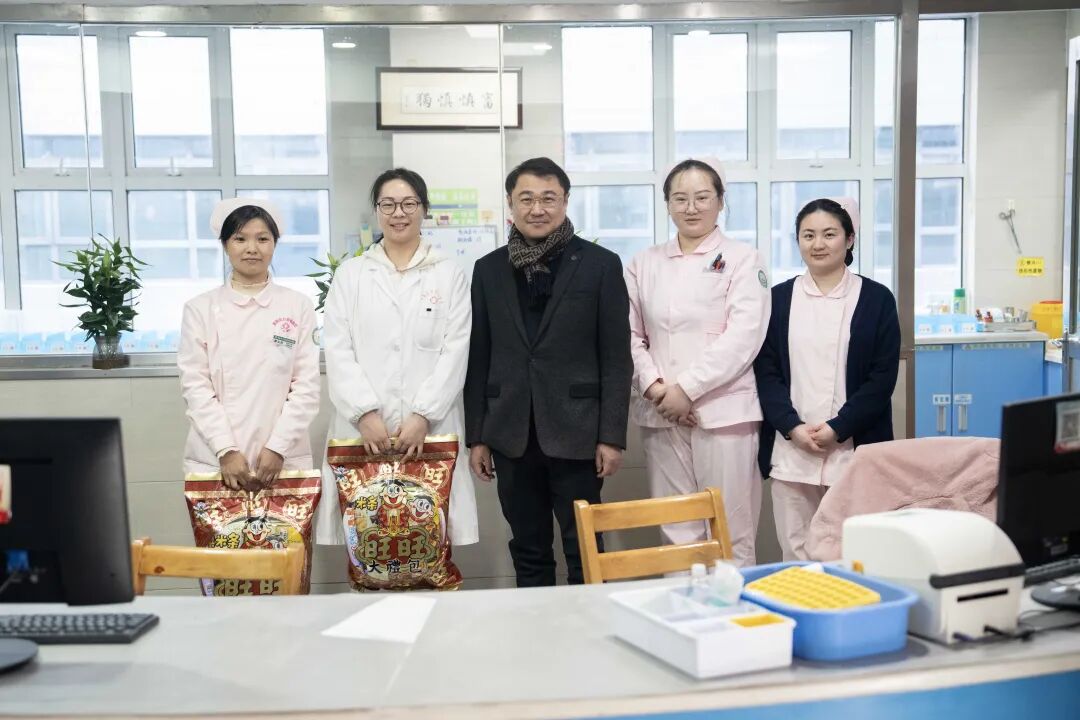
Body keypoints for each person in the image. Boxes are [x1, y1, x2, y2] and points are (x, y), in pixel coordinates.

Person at [464, 156, 632, 587]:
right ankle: (535, 625)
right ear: (510, 203)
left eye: (548, 198)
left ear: (565, 201)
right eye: (526, 199)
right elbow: (479, 356)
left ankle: (590, 623)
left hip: (578, 432)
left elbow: (616, 357)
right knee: (528, 547)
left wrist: (612, 436)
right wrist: (477, 435)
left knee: (584, 546)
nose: (537, 209)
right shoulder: (488, 270)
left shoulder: (600, 265)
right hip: (511, 433)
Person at [317, 168, 478, 550]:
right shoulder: (352, 275)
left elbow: (456, 350)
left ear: (424, 209)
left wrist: (423, 416)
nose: (398, 213)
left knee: (429, 539)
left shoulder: (448, 274)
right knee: (369, 541)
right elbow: (337, 348)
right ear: (376, 211)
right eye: (387, 204)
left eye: (408, 203)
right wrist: (364, 414)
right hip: (364, 431)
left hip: (430, 430)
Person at [625, 158, 771, 567]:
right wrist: (656, 389)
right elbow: (628, 335)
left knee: (729, 529)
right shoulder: (643, 263)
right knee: (676, 528)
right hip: (661, 415)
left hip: (723, 413)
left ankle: (732, 608)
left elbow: (744, 335)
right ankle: (682, 607)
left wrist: (687, 390)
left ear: (720, 201)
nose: (691, 208)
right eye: (680, 198)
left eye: (702, 197)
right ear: (667, 204)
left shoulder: (744, 258)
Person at [754, 198, 900, 561]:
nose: (818, 244)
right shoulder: (778, 300)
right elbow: (766, 372)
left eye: (829, 234)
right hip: (793, 449)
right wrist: (792, 427)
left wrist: (839, 427)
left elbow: (882, 378)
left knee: (854, 553)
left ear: (849, 239)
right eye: (808, 235)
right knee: (796, 552)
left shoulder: (877, 299)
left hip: (854, 447)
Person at [178, 198, 320, 490]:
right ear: (225, 245)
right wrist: (226, 449)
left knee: (286, 524)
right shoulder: (200, 309)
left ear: (274, 244)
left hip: (283, 459)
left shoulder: (298, 306)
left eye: (262, 239)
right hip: (217, 458)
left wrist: (277, 447)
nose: (252, 248)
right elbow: (195, 386)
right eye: (240, 239)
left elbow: (306, 386)